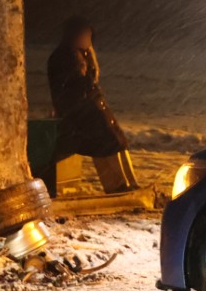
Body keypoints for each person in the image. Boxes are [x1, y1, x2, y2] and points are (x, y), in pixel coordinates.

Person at [47, 17, 138, 193]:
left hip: (90, 110)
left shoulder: (79, 53)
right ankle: (116, 186)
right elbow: (73, 87)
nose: (89, 38)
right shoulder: (68, 55)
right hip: (82, 113)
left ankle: (128, 183)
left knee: (116, 141)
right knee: (105, 144)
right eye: (86, 34)